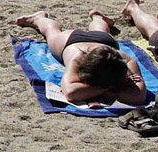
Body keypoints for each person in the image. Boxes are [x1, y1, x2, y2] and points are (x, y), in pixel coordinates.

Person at [12, 10, 148, 107]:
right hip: (71, 42)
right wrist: (111, 88)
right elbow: (70, 92)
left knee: (101, 33)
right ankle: (38, 18)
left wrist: (102, 89)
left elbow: (139, 96)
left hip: (105, 44)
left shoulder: (123, 60)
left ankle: (98, 18)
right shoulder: (77, 59)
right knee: (51, 31)